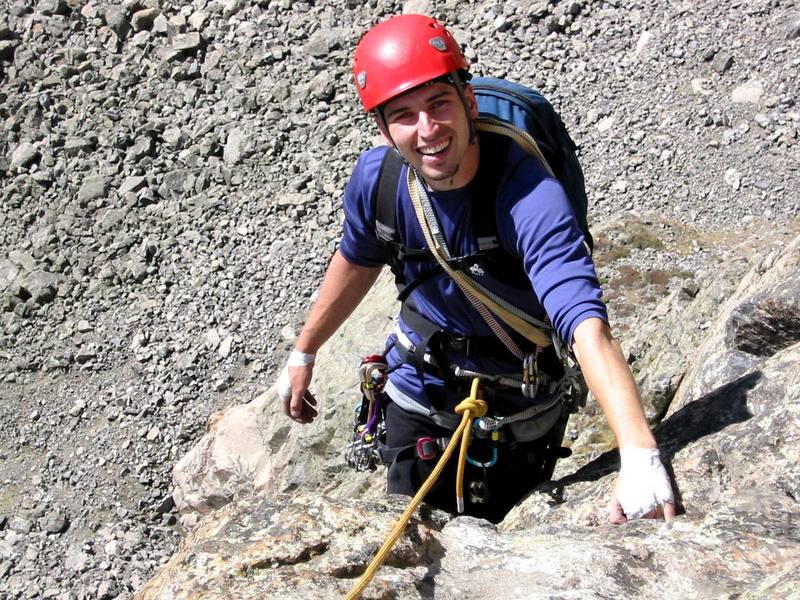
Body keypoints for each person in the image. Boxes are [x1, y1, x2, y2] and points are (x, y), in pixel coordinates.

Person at [278, 14, 675, 525]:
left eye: (438, 104)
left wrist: (639, 456)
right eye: (404, 116)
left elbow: (583, 324)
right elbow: (357, 259)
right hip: (417, 388)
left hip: (519, 409)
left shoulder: (527, 194)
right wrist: (305, 348)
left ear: (467, 100)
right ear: (382, 128)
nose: (427, 131)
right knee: (410, 539)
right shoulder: (378, 183)